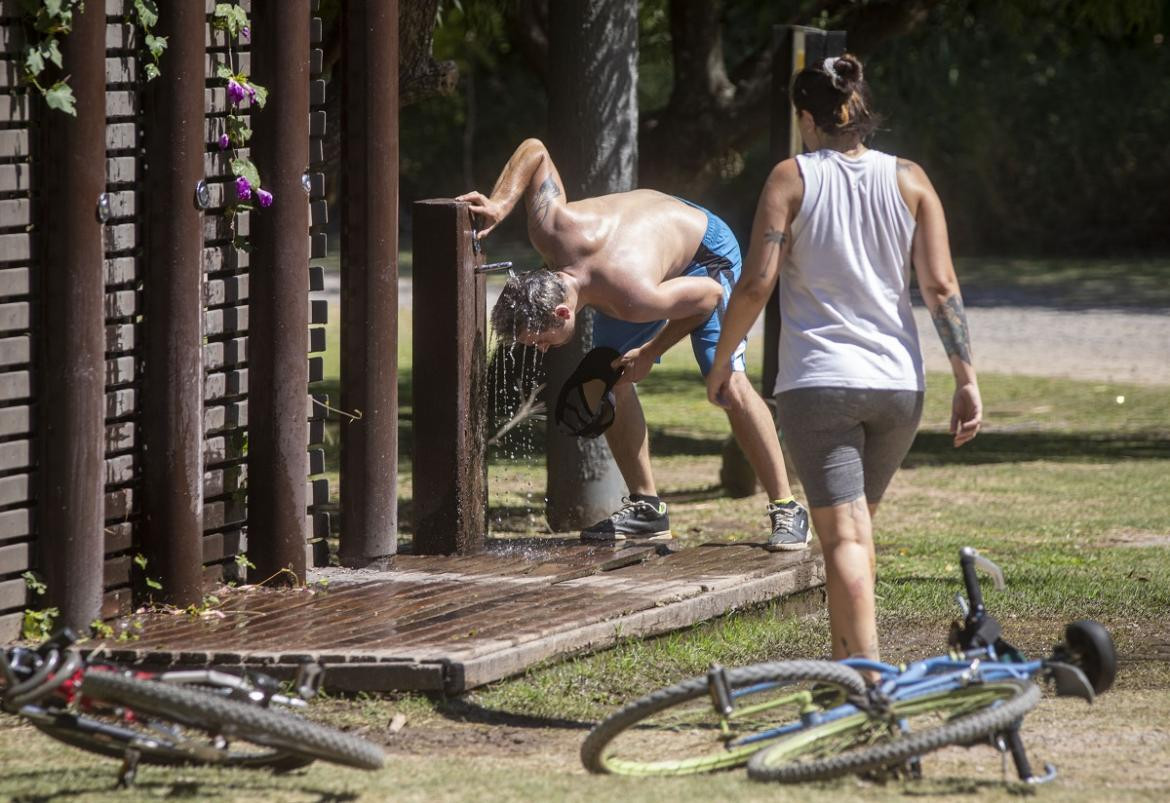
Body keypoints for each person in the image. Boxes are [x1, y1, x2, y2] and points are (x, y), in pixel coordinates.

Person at [706, 54, 982, 664]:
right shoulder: (910, 179)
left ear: (807, 117)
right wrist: (967, 378)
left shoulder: (791, 177)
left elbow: (756, 282)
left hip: (820, 386)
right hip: (898, 388)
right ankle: (850, 667)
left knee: (845, 541)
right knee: (856, 532)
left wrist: (725, 360)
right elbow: (941, 286)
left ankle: (866, 681)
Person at [458, 138, 810, 547]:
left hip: (706, 254)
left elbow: (707, 299)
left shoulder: (636, 297)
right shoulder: (549, 230)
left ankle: (787, 508)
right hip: (645, 240)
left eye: (540, 341)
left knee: (727, 382)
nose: (540, 350)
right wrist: (501, 204)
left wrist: (651, 351)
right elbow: (535, 150)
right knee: (611, 377)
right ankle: (648, 509)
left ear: (562, 313)